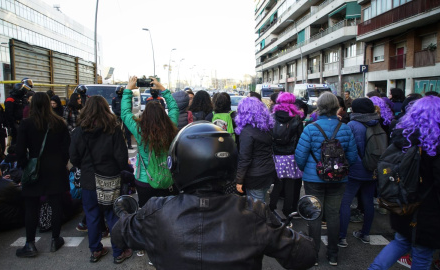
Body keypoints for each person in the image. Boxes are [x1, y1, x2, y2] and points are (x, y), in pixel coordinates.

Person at [110, 122, 317, 270]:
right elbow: (305, 256)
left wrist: (127, 215)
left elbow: (119, 235)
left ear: (177, 165)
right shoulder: (255, 213)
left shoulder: (157, 211)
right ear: (230, 164)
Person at [368, 96, 440, 270]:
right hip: (429, 210)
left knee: (400, 242)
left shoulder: (404, 137)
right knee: (422, 256)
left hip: (403, 201)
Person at [295, 92, 358, 266]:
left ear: (319, 107)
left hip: (313, 179)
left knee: (314, 215)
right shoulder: (345, 128)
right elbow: (352, 157)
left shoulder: (310, 128)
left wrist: (307, 170)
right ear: (336, 107)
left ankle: (313, 254)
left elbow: (300, 157)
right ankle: (332, 254)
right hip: (338, 179)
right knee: (333, 215)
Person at [69, 95, 132, 264]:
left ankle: (95, 250)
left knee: (92, 216)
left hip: (89, 179)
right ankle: (118, 252)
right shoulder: (113, 128)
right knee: (112, 215)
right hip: (110, 177)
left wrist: (84, 166)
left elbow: (73, 157)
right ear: (106, 108)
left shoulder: (79, 131)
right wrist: (120, 170)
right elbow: (121, 156)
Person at [15, 92, 70, 257]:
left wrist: (26, 165)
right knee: (56, 205)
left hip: (34, 170)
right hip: (55, 169)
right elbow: (66, 148)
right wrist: (60, 163)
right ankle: (55, 239)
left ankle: (30, 244)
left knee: (31, 208)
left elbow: (19, 151)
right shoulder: (59, 123)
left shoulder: (26, 124)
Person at [121, 76, 179, 207]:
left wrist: (128, 90)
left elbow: (125, 113)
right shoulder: (171, 127)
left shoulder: (140, 131)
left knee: (147, 217)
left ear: (145, 115)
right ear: (163, 114)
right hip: (167, 179)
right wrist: (163, 89)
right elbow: (174, 108)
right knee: (168, 214)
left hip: (145, 180)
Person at [338, 98, 382, 248]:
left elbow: (347, 148)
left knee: (345, 202)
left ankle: (342, 237)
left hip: (355, 169)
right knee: (368, 201)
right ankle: (366, 234)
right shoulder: (377, 123)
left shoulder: (352, 125)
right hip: (373, 168)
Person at [269, 92, 304, 217]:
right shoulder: (296, 118)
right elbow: (300, 139)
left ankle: (271, 208)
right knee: (290, 185)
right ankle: (288, 212)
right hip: (291, 156)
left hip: (276, 156)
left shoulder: (272, 117)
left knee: (278, 184)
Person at [234, 97, 276, 202]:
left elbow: (245, 158)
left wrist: (239, 180)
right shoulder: (267, 128)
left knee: (256, 208)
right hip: (268, 171)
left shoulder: (247, 132)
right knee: (262, 203)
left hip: (255, 175)